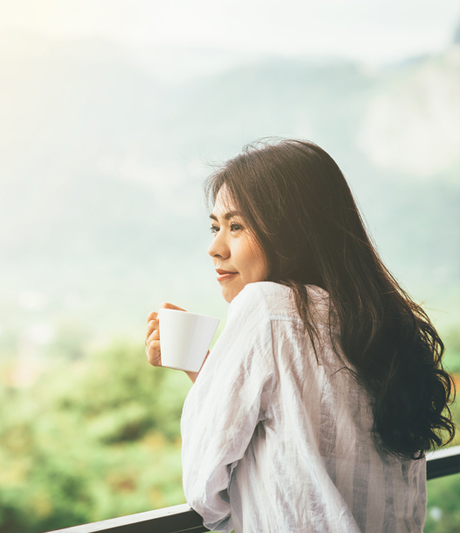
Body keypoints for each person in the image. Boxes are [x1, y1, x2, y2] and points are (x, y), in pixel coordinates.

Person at [143, 139, 455, 532]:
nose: (214, 248)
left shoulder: (267, 307)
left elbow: (205, 486)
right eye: (215, 226)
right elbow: (302, 430)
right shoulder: (383, 320)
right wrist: (207, 371)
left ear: (292, 230)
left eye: (236, 226)